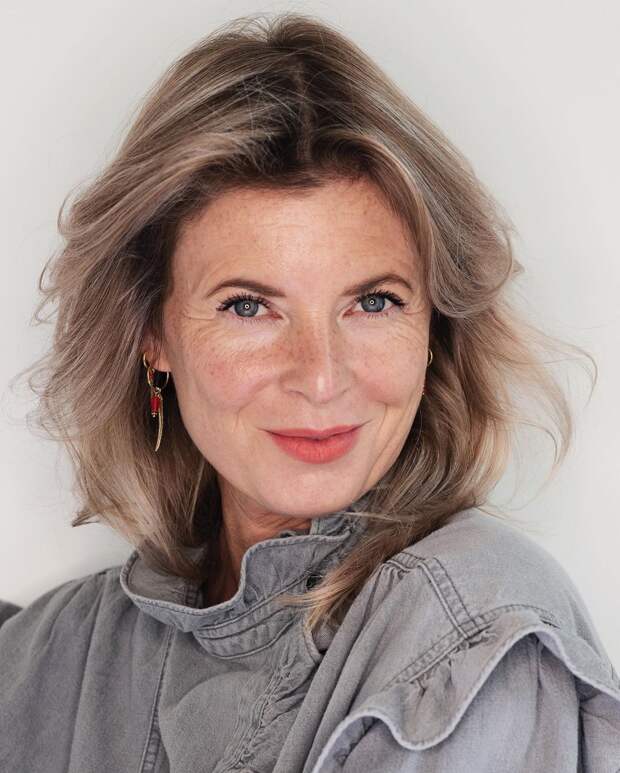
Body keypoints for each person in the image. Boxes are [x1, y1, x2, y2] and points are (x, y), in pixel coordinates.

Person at [1, 11, 619, 773]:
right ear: (151, 335)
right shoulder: (61, 653)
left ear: (435, 326)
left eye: (374, 301)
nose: (321, 377)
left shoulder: (470, 639)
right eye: (249, 306)